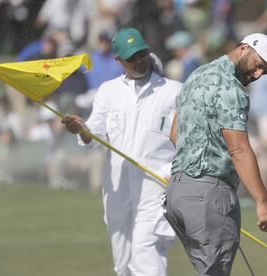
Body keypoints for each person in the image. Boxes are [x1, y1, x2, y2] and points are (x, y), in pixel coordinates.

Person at [61, 27, 182, 276]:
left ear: (148, 52)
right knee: (123, 264)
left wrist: (170, 172)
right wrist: (81, 129)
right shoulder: (107, 91)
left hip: (156, 184)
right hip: (117, 186)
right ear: (118, 60)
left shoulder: (175, 91)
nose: (138, 60)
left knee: (145, 253)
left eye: (141, 54)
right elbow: (95, 135)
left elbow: (189, 141)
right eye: (131, 57)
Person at [165, 33, 267, 275]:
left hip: (177, 194)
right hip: (209, 196)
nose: (258, 75)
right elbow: (238, 149)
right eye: (259, 66)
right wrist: (263, 202)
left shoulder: (196, 76)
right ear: (244, 49)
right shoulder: (232, 89)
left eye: (264, 72)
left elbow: (175, 134)